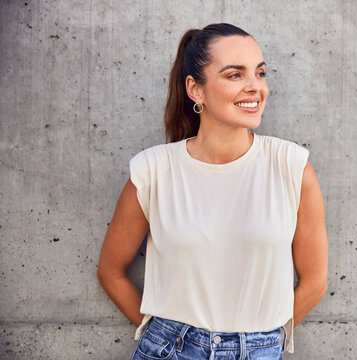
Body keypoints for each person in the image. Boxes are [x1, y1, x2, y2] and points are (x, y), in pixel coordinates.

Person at [97, 23, 328, 360]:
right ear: (196, 89)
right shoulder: (153, 170)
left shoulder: (291, 166)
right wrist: (166, 338)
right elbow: (111, 271)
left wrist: (265, 345)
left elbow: (315, 282)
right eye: (235, 75)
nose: (255, 87)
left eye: (260, 73)